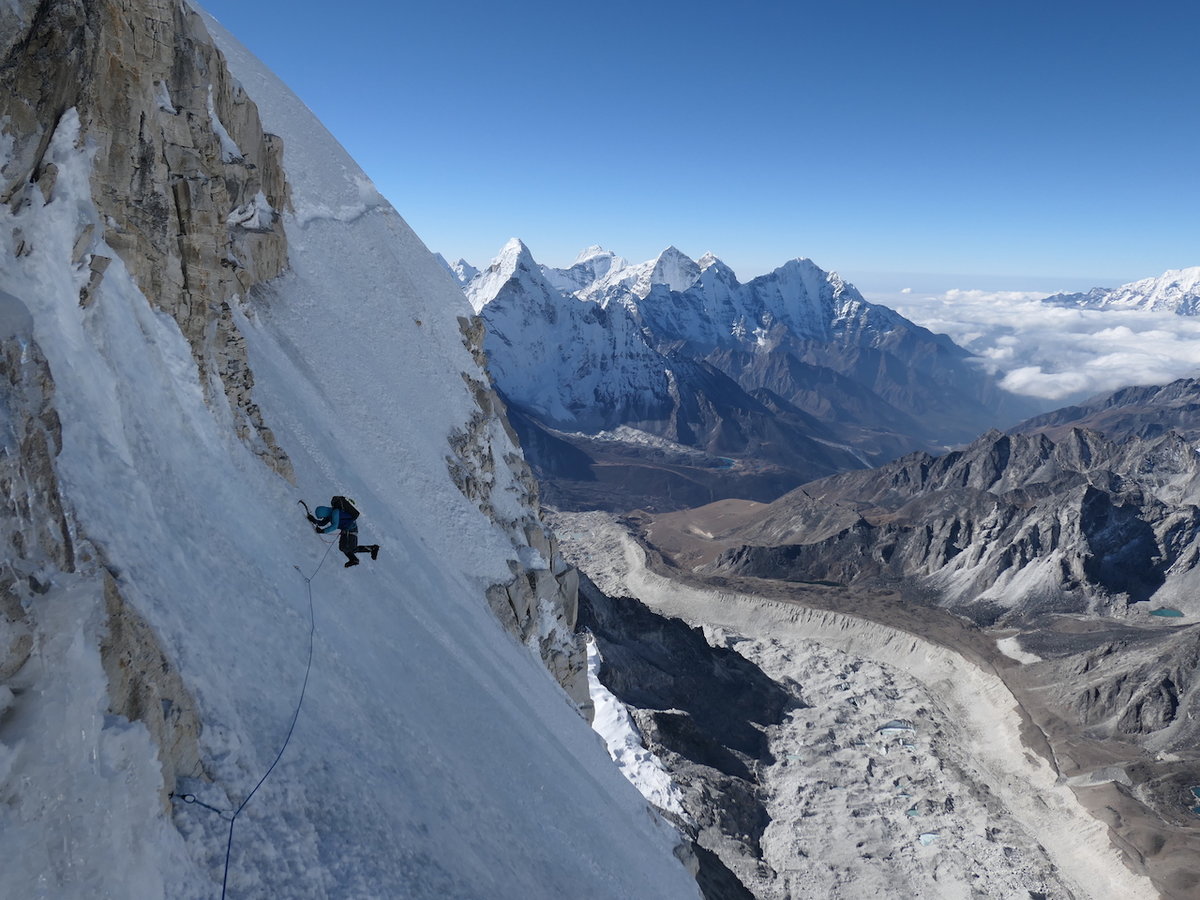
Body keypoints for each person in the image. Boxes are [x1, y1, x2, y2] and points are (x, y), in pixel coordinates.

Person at [307, 496, 380, 568]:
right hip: (347, 530)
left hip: (350, 529)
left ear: (323, 513)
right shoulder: (330, 514)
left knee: (347, 547)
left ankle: (358, 557)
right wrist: (313, 520)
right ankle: (366, 552)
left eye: (321, 516)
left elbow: (334, 526)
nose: (322, 518)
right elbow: (322, 523)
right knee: (346, 547)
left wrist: (322, 531)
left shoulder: (335, 512)